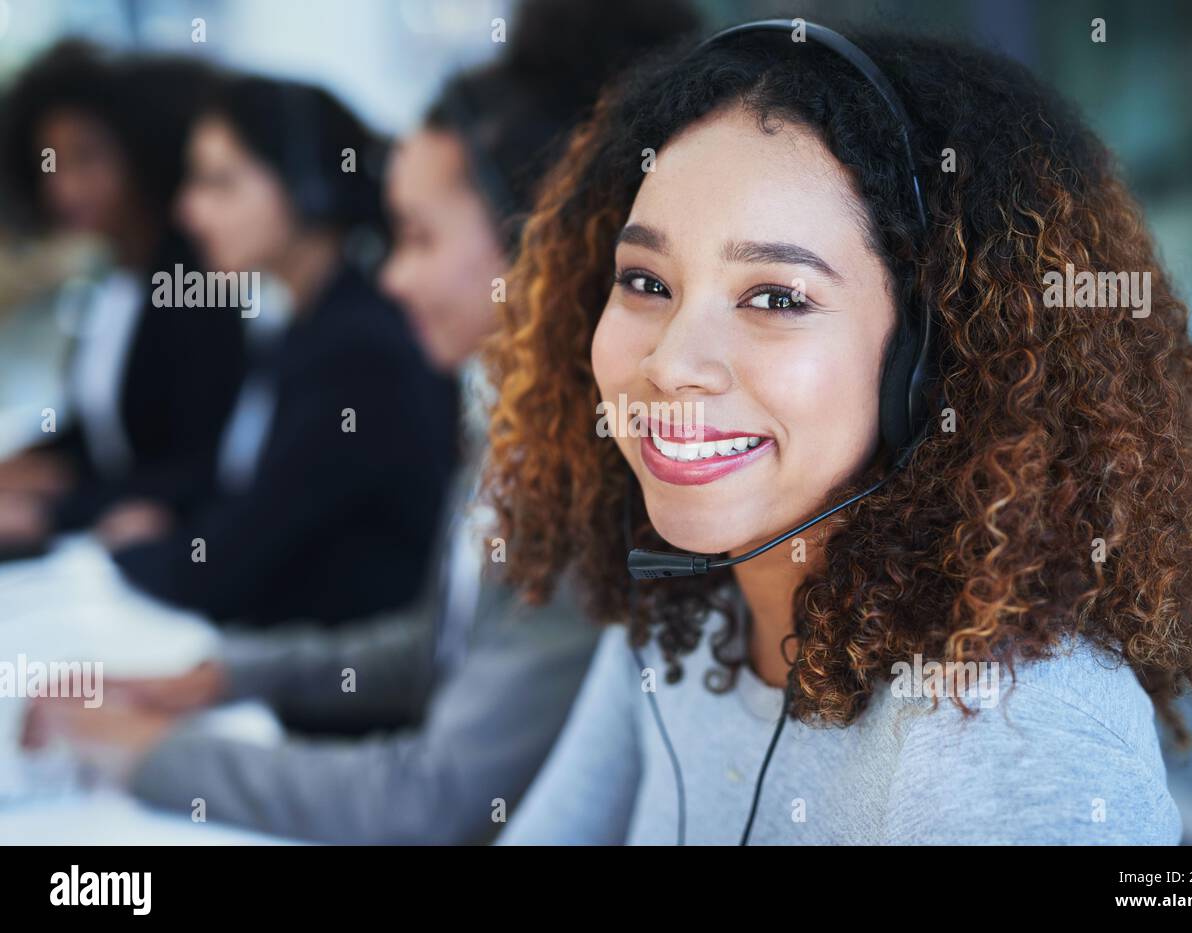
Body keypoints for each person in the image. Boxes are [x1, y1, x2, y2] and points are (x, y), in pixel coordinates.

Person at [481, 21, 1192, 844]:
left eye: (776, 297)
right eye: (645, 281)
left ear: (932, 361)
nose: (670, 364)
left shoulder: (1012, 721)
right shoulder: (682, 606)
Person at [22, 0, 700, 844]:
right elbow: (438, 646)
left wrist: (152, 753)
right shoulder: (509, 426)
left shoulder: (592, 480)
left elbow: (430, 801)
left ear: (535, 249)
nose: (395, 279)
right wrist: (220, 678)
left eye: (417, 238)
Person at [101, 75, 461, 626]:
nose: (189, 211)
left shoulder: (358, 350)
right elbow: (250, 498)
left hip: (334, 681)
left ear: (308, 186)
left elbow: (220, 572)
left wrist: (115, 548)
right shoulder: (306, 321)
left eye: (220, 184)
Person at [0, 42, 246, 552]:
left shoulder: (195, 284)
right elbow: (104, 426)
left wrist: (55, 509)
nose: (64, 186)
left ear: (140, 151)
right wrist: (27, 465)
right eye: (51, 163)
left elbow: (198, 468)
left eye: (86, 157)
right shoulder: (112, 279)